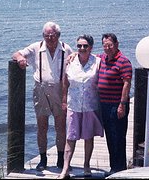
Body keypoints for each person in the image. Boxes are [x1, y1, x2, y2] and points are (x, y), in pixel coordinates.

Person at [12, 21, 73, 171]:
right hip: (40, 90)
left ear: (58, 35)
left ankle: (60, 159)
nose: (50, 38)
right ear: (43, 35)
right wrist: (20, 59)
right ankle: (43, 159)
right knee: (42, 126)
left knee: (60, 127)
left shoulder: (66, 48)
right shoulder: (36, 47)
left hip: (60, 90)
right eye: (46, 35)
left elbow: (75, 64)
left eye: (52, 35)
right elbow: (17, 53)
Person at [58, 35, 104, 179]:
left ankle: (86, 165)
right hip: (74, 105)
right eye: (79, 46)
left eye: (85, 46)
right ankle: (65, 169)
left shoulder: (98, 61)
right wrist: (64, 100)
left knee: (88, 137)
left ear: (90, 47)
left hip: (90, 105)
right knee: (70, 138)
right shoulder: (70, 61)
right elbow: (65, 82)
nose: (82, 49)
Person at [98, 33, 132, 176]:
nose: (107, 48)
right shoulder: (101, 58)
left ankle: (120, 168)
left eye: (110, 45)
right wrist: (73, 54)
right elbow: (86, 55)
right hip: (104, 105)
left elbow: (127, 84)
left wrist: (122, 104)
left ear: (117, 44)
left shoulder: (124, 61)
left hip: (117, 105)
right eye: (105, 45)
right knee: (110, 137)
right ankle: (114, 168)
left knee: (118, 137)